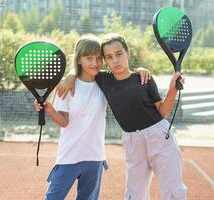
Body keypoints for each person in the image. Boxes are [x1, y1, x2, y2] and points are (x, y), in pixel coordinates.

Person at [58, 33, 187, 200]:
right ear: (105, 60)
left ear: (127, 53)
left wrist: (172, 89)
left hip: (159, 136)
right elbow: (83, 65)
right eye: (109, 57)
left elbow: (162, 112)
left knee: (172, 191)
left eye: (119, 54)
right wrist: (70, 75)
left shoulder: (144, 78)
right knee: (134, 194)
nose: (115, 60)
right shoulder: (104, 79)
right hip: (132, 142)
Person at [35, 34, 151, 200]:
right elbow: (64, 122)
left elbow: (125, 74)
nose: (95, 63)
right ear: (79, 60)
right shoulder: (67, 86)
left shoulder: (104, 83)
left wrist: (141, 70)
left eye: (98, 58)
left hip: (95, 158)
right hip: (69, 156)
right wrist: (50, 109)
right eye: (89, 58)